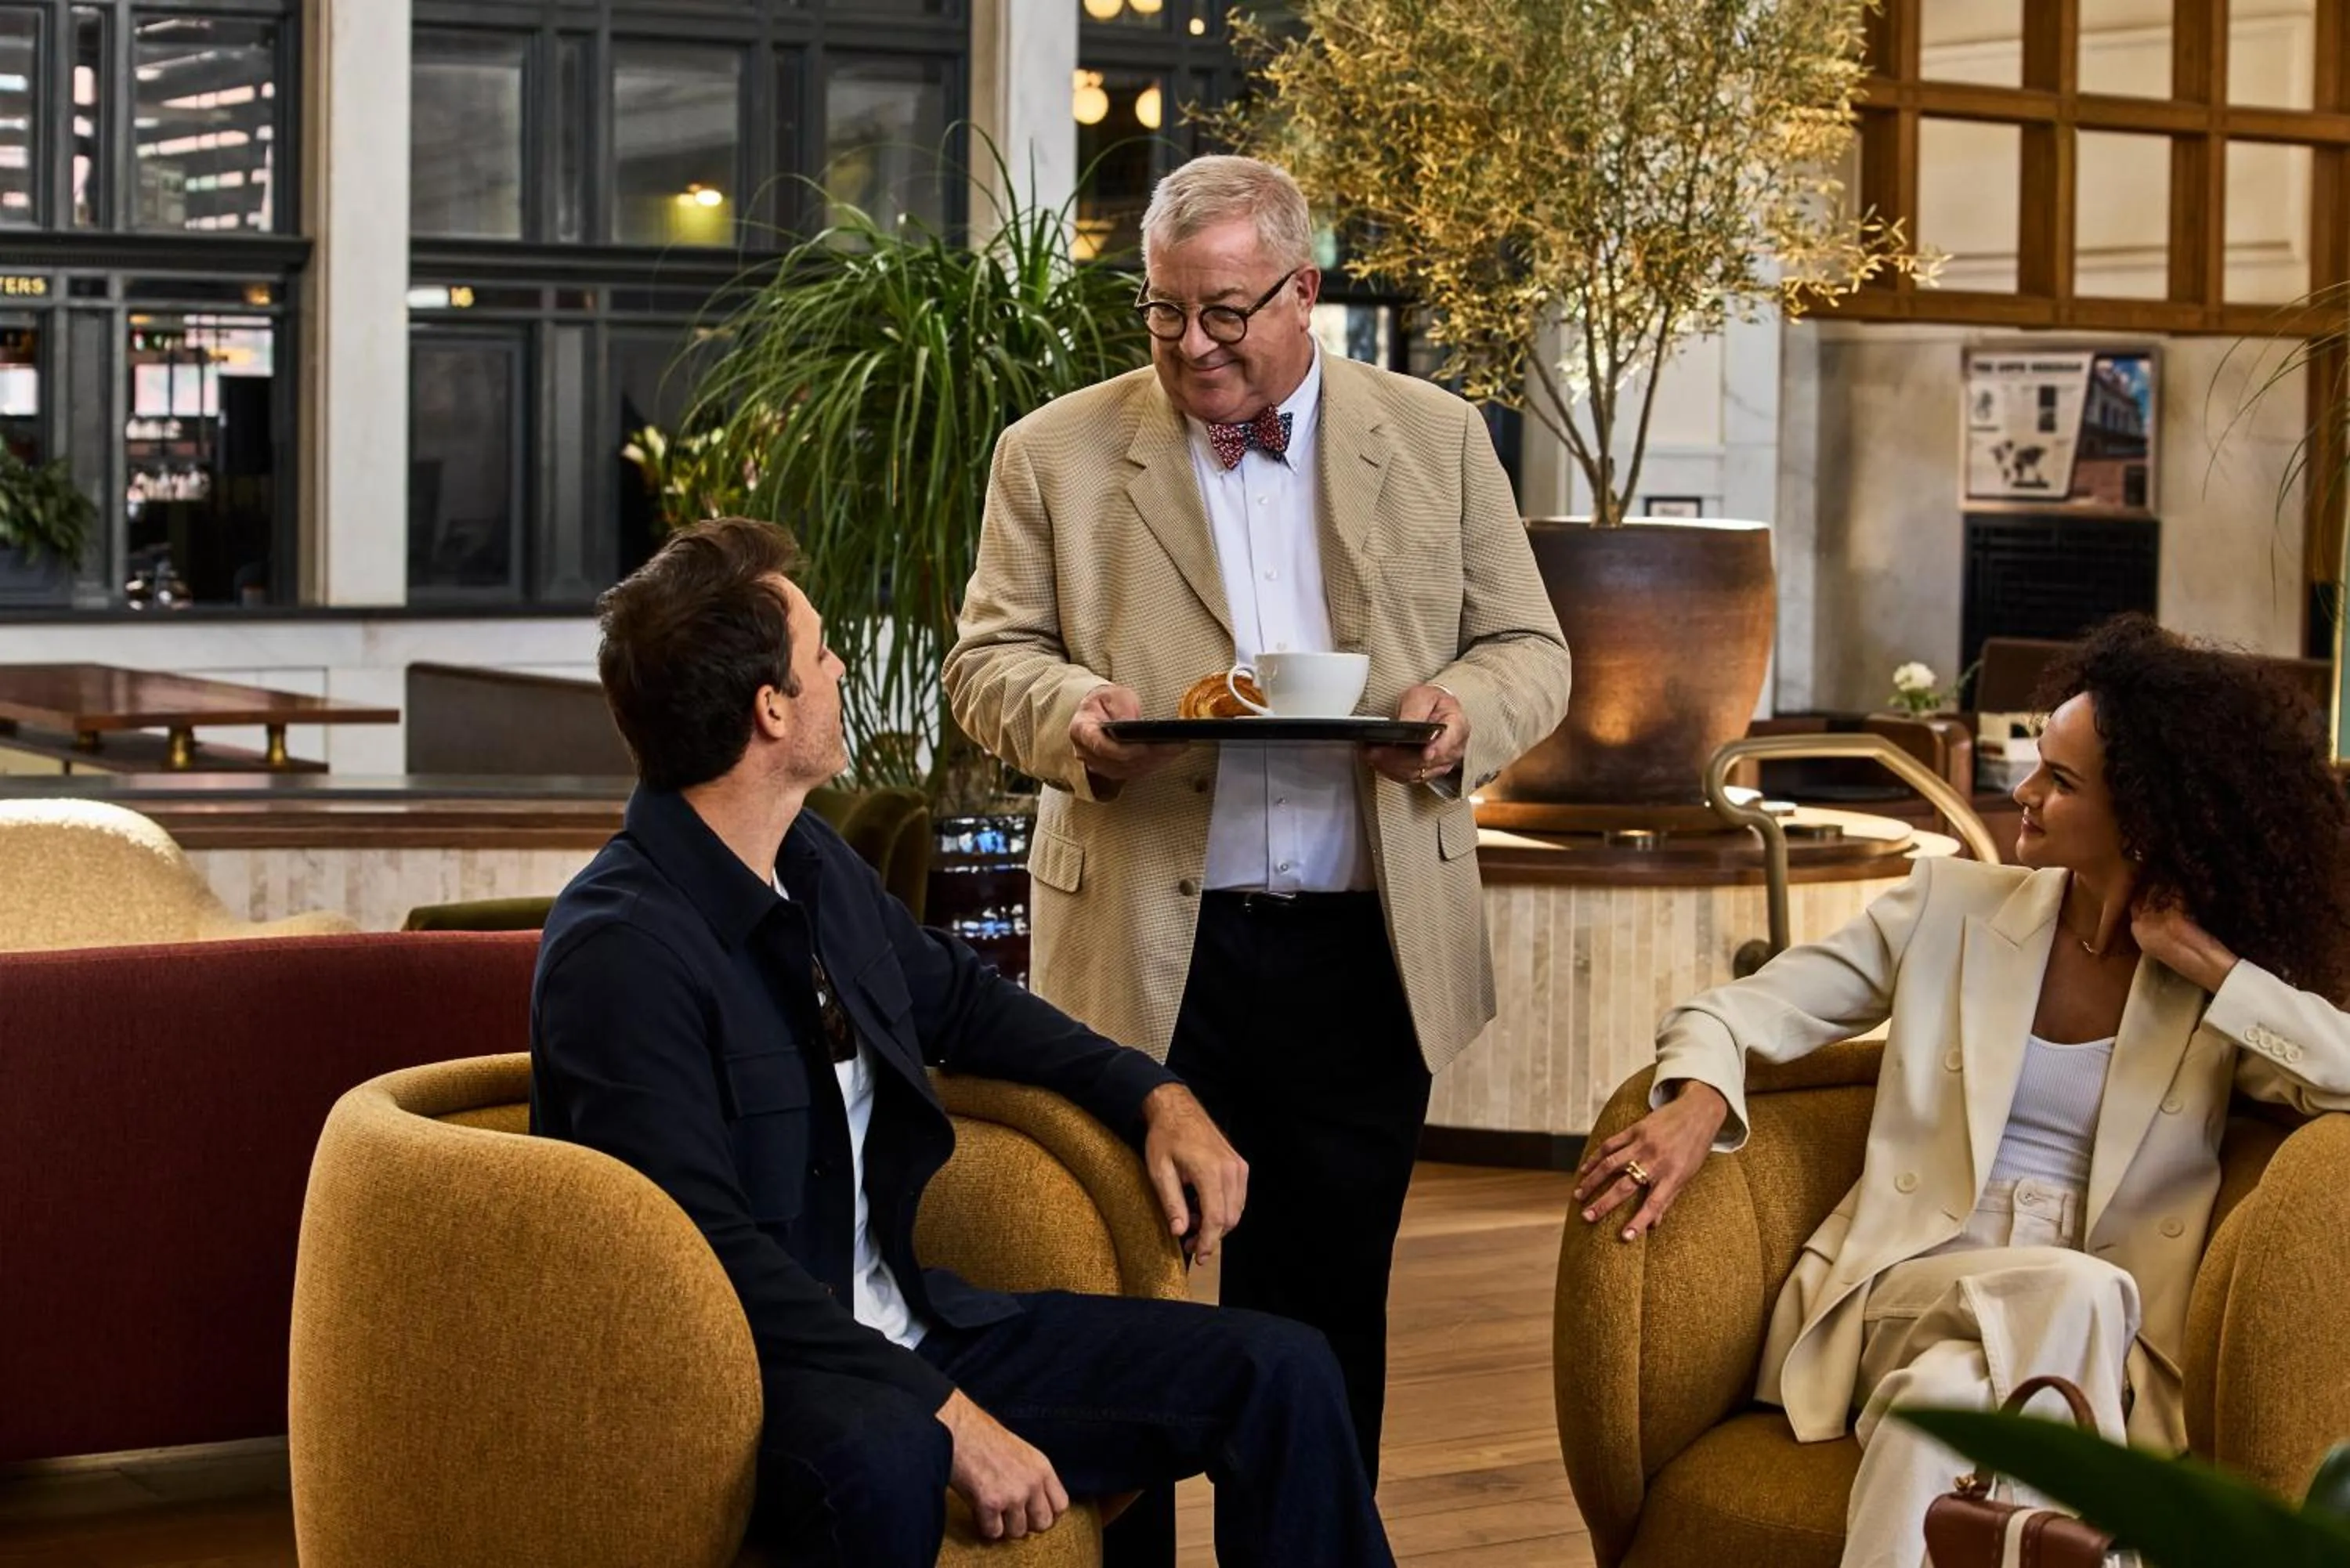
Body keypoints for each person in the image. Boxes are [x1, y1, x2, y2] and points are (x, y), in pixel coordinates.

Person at [531, 517, 1396, 1568]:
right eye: (821, 653)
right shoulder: (620, 951)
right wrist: (945, 1413)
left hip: (912, 1331)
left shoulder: (809, 861)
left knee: (1282, 1369)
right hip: (752, 1379)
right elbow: (701, 1253)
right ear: (770, 708)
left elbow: (969, 1006)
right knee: (889, 1453)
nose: (840, 668)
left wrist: (1154, 1093)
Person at [942, 154, 1571, 1503]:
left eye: (1225, 312)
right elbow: (987, 662)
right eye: (1165, 311)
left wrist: (1460, 714)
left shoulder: (1440, 435)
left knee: (1327, 1311)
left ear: (1304, 292)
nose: (1191, 345)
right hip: (1141, 950)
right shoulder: (1050, 452)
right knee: (1119, 1301)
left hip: (1366, 950)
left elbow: (1531, 645)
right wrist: (1073, 718)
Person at [1573, 614, 2350, 1568]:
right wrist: (1698, 1097)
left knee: (1940, 1407)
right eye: (2037, 763)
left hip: (2096, 1345)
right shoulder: (1947, 910)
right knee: (2082, 1288)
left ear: (2144, 817)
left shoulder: (2205, 993)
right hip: (1914, 1284)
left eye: (2060, 780)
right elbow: (1742, 1010)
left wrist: (2213, 967)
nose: (2024, 792)